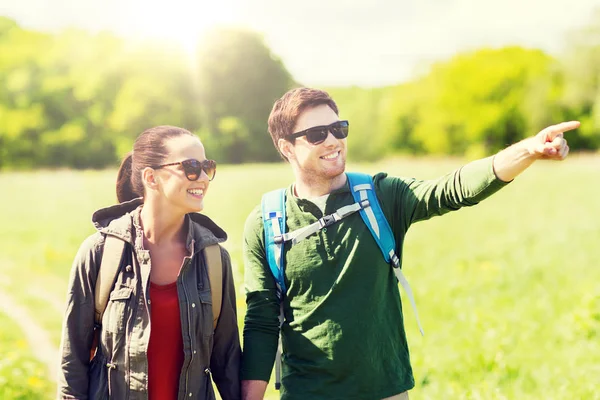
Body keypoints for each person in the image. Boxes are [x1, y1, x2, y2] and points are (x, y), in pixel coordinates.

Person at [240, 88, 579, 400]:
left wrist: (528, 150)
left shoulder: (380, 195)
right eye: (317, 135)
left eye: (338, 128)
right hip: (307, 393)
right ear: (287, 148)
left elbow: (452, 189)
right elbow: (261, 321)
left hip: (385, 389)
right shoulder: (266, 223)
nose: (333, 141)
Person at [57, 126, 241, 400]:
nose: (202, 177)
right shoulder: (100, 252)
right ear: (151, 177)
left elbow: (227, 363)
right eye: (191, 167)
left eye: (206, 167)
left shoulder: (213, 259)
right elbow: (73, 364)